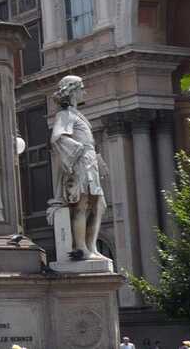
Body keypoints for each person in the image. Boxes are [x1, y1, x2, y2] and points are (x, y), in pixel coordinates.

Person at [49, 75, 107, 260]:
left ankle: (92, 247)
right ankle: (82, 247)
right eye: (82, 88)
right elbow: (58, 137)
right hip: (80, 163)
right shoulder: (64, 115)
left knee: (99, 205)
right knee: (81, 205)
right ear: (72, 91)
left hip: (90, 162)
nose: (85, 92)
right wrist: (79, 150)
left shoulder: (76, 115)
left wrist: (96, 159)